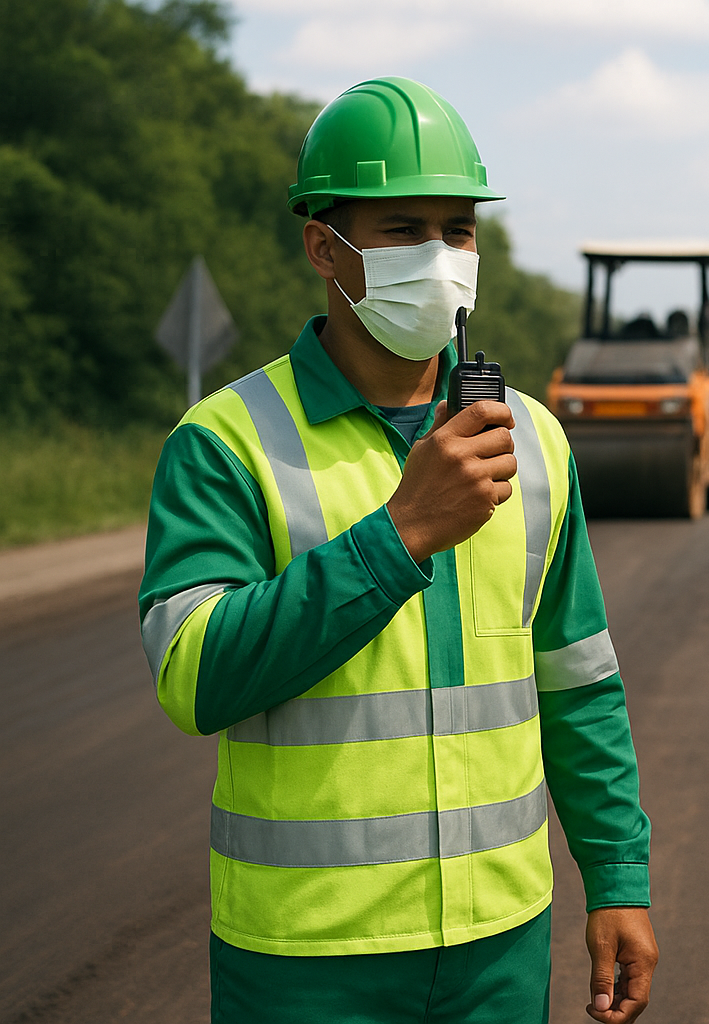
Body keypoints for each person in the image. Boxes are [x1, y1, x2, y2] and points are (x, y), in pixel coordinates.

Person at [138, 78, 656, 1024]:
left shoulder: (534, 438)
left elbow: (578, 681)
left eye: (458, 230)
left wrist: (617, 875)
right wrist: (401, 534)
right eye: (403, 228)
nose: (440, 256)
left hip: (501, 942)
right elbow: (194, 679)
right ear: (322, 247)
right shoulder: (226, 442)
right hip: (307, 956)